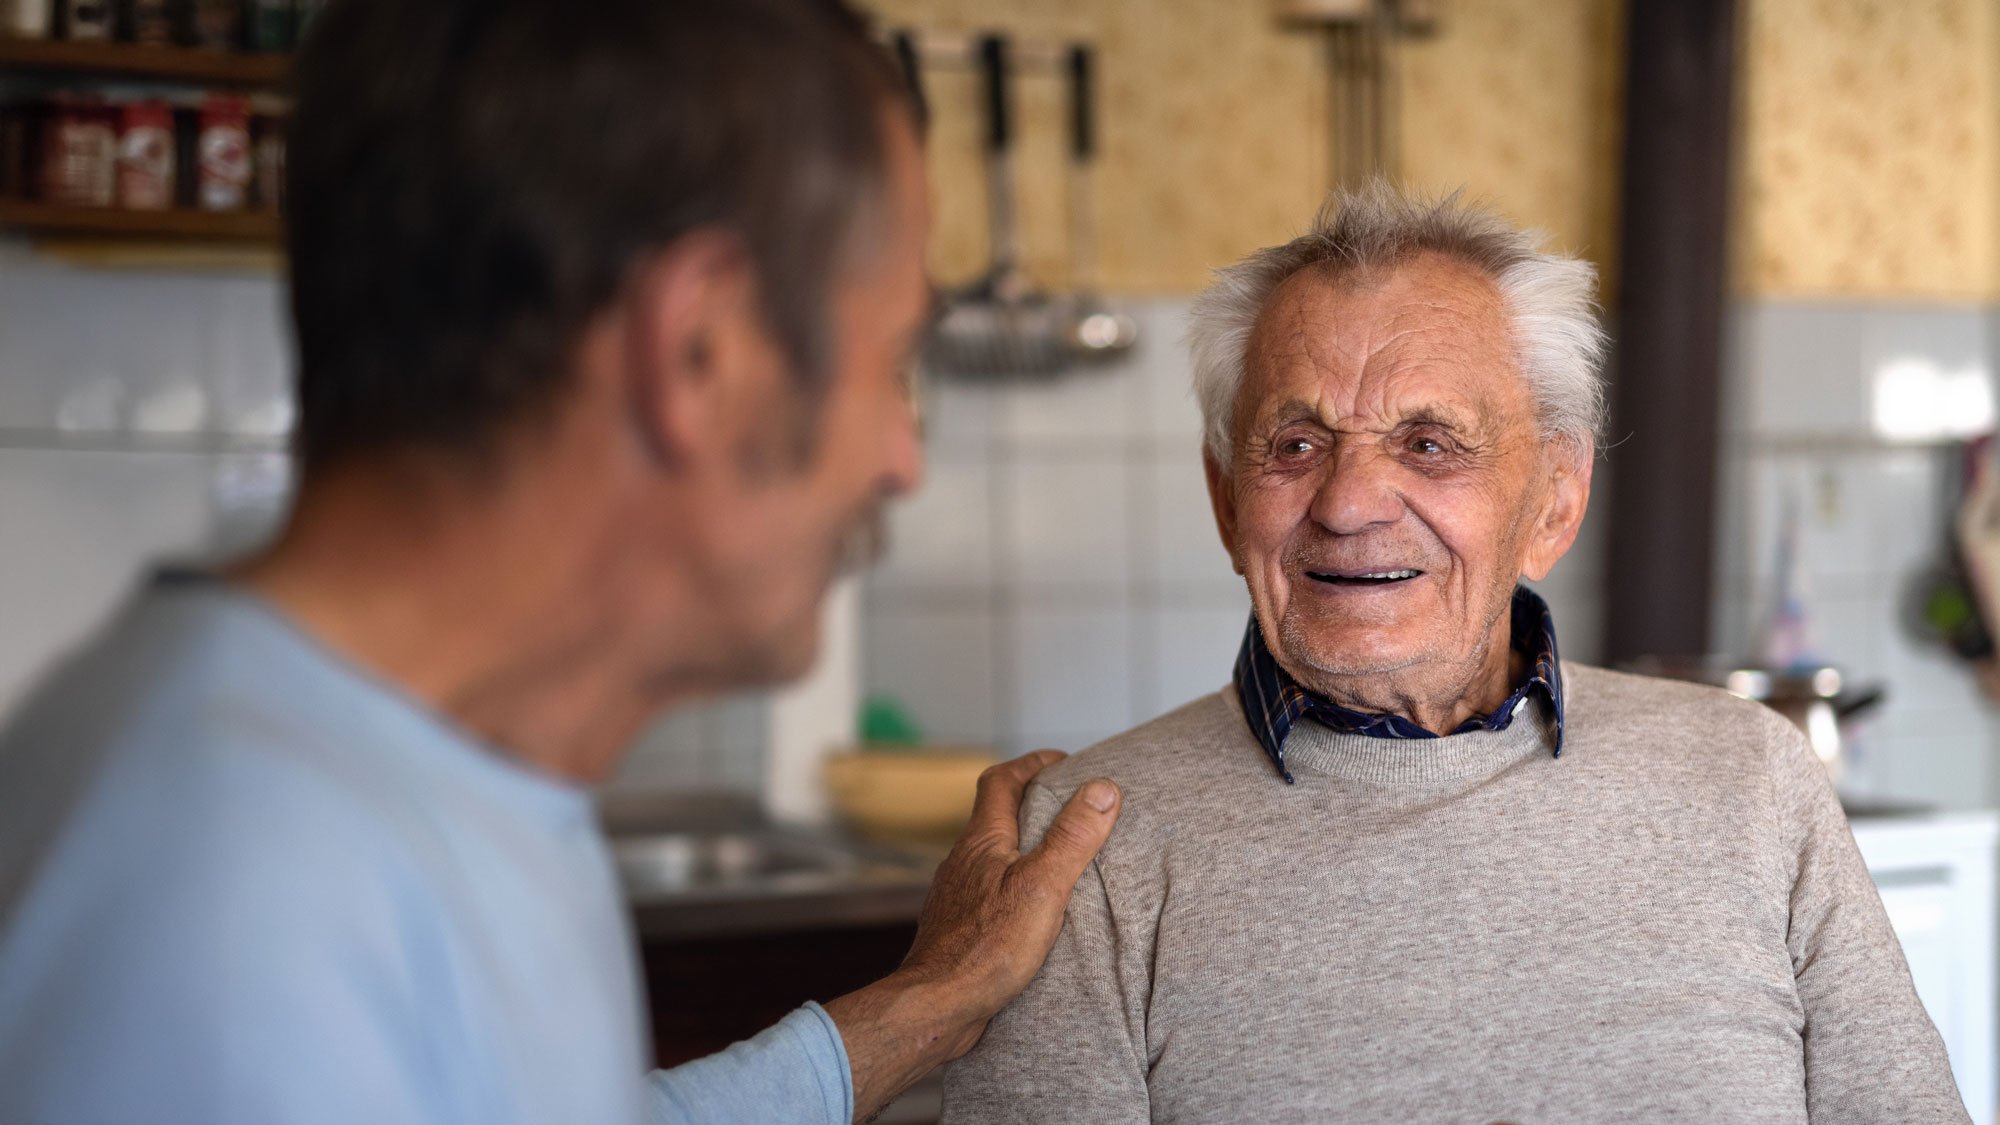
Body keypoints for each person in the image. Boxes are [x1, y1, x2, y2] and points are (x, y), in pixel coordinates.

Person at [0, 2, 1123, 1122]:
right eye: (888, 362)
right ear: (697, 352)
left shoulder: (432, 774)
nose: (901, 461)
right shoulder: (240, 905)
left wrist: (940, 1001)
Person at [941, 183, 1969, 1123]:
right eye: (1293, 445)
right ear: (1223, 499)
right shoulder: (1087, 844)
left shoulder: (1749, 777)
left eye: (1428, 445)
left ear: (1552, 501)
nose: (1346, 504)